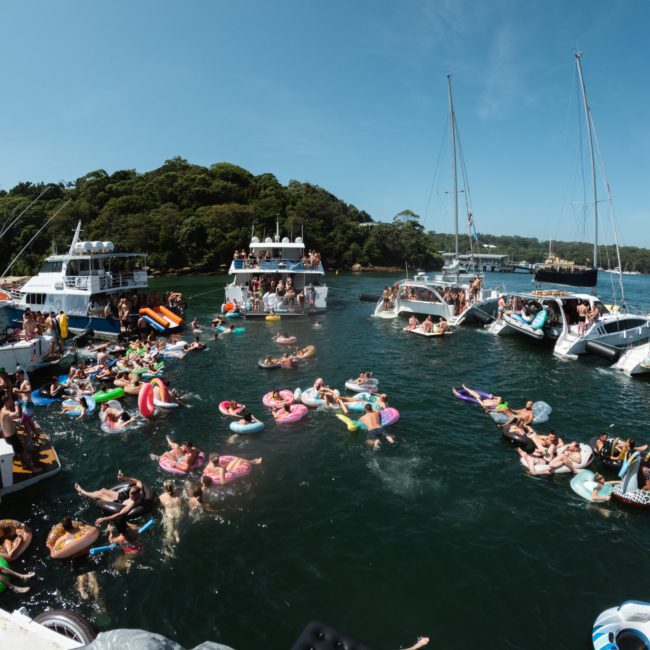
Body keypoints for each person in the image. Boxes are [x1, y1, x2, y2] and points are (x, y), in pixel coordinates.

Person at [75, 471, 146, 526]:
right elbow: (138, 481)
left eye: (133, 496)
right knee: (103, 490)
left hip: (119, 504)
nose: (131, 496)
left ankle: (83, 492)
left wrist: (105, 519)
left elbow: (121, 513)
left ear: (137, 495)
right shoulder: (139, 488)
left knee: (100, 495)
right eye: (130, 494)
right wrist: (124, 478)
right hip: (123, 498)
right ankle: (90, 494)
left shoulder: (133, 502)